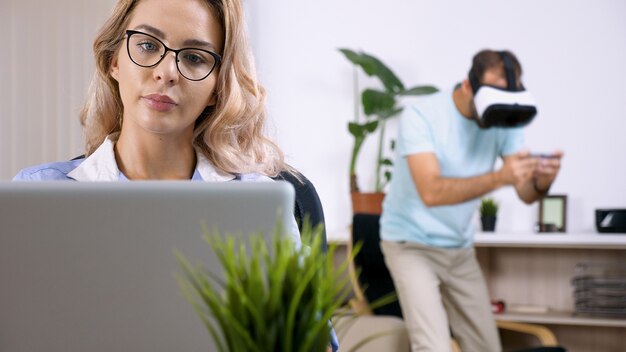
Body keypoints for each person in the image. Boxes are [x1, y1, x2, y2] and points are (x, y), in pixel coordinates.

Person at [12, 0, 338, 350]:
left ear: (217, 87)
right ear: (114, 60)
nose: (167, 71)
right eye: (148, 45)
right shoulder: (36, 193)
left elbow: (312, 344)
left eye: (195, 57)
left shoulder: (260, 207)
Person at [380, 49, 562, 352]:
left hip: (459, 248)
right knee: (433, 347)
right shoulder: (422, 115)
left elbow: (525, 193)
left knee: (486, 347)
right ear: (468, 86)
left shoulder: (504, 120)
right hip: (410, 243)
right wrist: (500, 177)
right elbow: (432, 192)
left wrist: (543, 181)